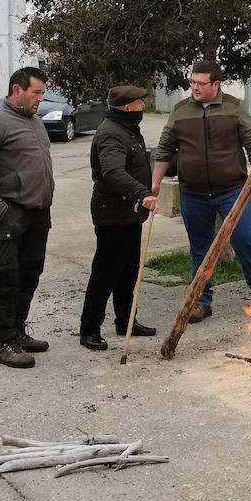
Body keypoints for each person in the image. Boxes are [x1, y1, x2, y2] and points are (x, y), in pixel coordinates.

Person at [150, 60, 251, 321]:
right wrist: (156, 184)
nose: (195, 87)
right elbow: (165, 148)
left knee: (245, 240)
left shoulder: (234, 107)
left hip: (233, 191)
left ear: (216, 84)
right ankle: (201, 301)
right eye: (192, 82)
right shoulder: (180, 111)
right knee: (200, 248)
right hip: (192, 193)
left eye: (200, 83)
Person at [0, 66, 56, 368]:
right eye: (36, 92)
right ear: (17, 90)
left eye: (43, 93)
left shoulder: (35, 122)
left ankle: (18, 330)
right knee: (7, 277)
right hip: (10, 215)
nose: (40, 99)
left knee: (30, 275)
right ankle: (5, 343)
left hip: (38, 214)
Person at [79, 85, 162, 351]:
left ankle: (126, 321)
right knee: (105, 273)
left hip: (129, 215)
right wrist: (142, 193)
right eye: (140, 103)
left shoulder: (125, 128)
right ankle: (89, 329)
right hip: (112, 215)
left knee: (128, 272)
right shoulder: (111, 133)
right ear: (127, 107)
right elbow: (113, 172)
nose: (143, 107)